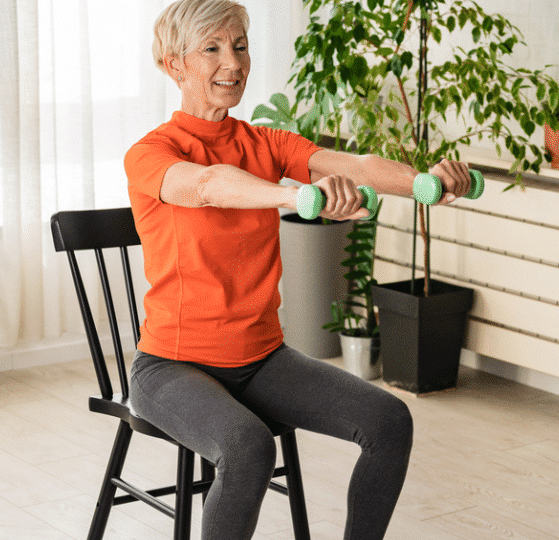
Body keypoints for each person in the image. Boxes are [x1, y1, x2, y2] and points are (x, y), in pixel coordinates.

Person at [123, 1, 474, 539]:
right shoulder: (152, 153)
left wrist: (428, 183)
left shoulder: (265, 142)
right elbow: (206, 185)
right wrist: (297, 197)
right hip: (171, 367)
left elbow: (353, 167)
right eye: (212, 49)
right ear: (174, 65)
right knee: (248, 446)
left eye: (239, 46)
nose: (233, 62)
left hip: (261, 359)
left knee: (388, 421)